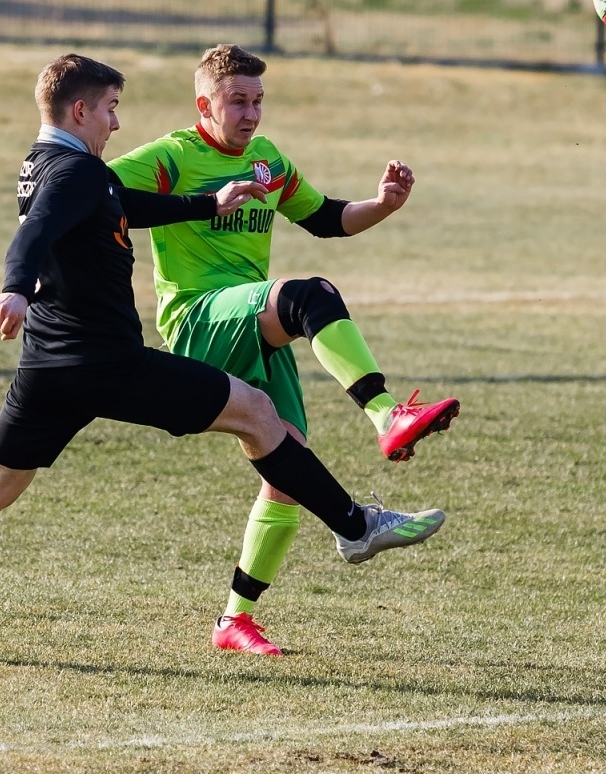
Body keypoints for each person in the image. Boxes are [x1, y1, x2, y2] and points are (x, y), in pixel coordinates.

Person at [0, 54, 446, 652]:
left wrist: (207, 203)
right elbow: (32, 235)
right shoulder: (80, 172)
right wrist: (13, 287)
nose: (118, 121)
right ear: (79, 111)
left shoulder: (49, 167)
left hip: (45, 370)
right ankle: (356, 526)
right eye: (111, 107)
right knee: (257, 411)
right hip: (108, 364)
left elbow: (120, 205)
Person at [108, 44, 459, 657]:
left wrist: (382, 205)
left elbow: (323, 217)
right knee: (310, 296)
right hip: (200, 319)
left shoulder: (267, 161)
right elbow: (96, 192)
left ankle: (234, 621)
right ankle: (386, 416)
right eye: (236, 101)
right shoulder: (172, 157)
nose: (250, 113)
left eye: (258, 100)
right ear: (205, 104)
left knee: (287, 470)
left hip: (252, 317)